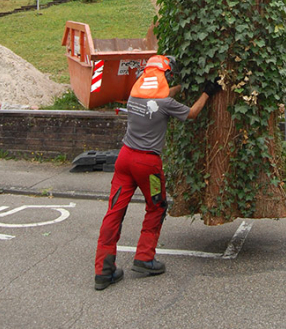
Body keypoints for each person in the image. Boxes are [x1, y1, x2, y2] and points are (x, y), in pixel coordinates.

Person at [94, 54, 221, 291]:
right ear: (164, 74)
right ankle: (144, 258)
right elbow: (191, 113)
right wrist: (206, 93)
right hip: (148, 166)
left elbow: (161, 96)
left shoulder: (134, 95)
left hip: (124, 159)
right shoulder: (165, 104)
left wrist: (180, 88)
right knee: (156, 207)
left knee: (114, 211)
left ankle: (103, 270)